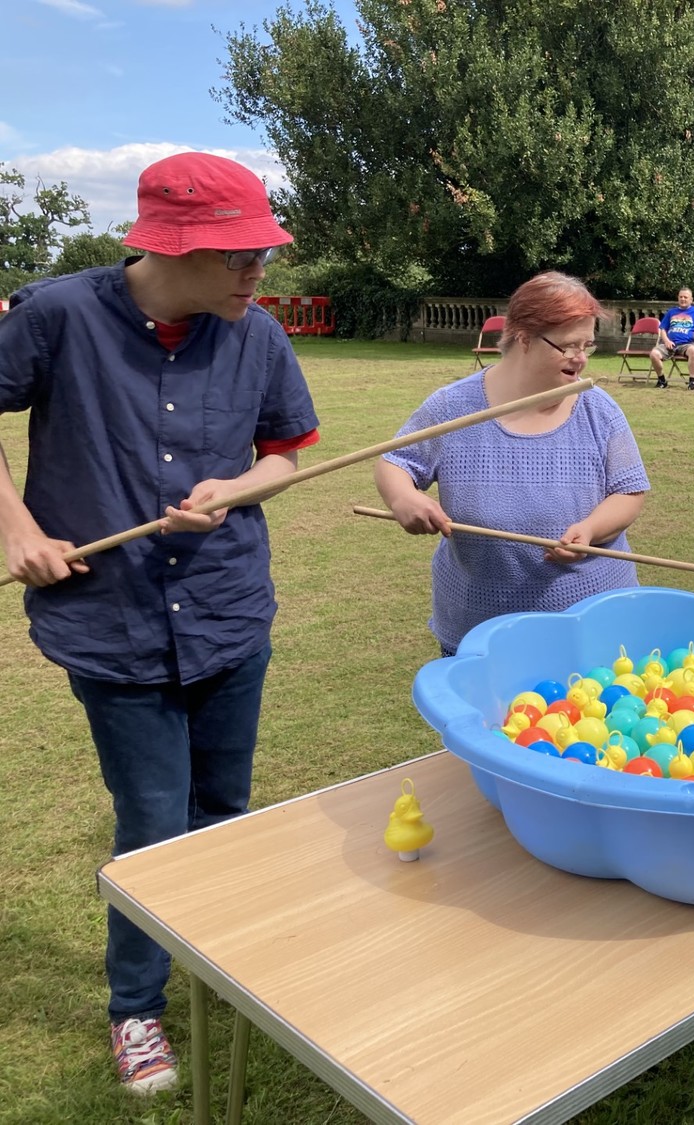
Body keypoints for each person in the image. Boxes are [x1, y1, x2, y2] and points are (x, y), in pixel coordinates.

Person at [0, 152, 320, 1094]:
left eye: (263, 252)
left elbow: (287, 456)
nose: (259, 271)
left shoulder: (257, 335)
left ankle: (222, 967)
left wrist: (236, 489)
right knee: (152, 823)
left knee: (223, 813)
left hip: (228, 613)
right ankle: (137, 1008)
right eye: (241, 255)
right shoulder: (56, 316)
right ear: (173, 249)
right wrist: (20, 526)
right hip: (112, 625)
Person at [376, 271, 650, 655]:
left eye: (587, 345)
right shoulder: (453, 407)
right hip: (480, 625)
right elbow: (395, 462)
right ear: (523, 337)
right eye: (568, 346)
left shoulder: (599, 410)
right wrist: (403, 499)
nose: (581, 359)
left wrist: (590, 529)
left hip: (590, 623)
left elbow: (629, 491)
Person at [649, 287, 694, 390]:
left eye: (685, 297)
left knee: (693, 350)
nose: (683, 299)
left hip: (686, 344)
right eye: (681, 297)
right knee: (654, 354)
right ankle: (662, 381)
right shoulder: (671, 312)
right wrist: (666, 340)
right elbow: (662, 329)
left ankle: (692, 383)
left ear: (691, 299)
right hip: (669, 344)